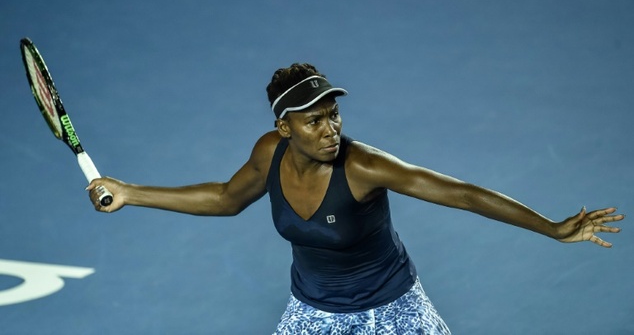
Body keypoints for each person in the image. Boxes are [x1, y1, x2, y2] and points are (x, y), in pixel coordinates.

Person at [87, 63, 624, 334]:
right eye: (314, 119)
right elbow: (227, 198)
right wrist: (131, 192)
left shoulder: (364, 166)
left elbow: (461, 194)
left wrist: (554, 228)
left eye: (334, 114)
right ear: (284, 127)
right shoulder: (267, 153)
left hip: (394, 312)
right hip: (312, 313)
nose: (330, 129)